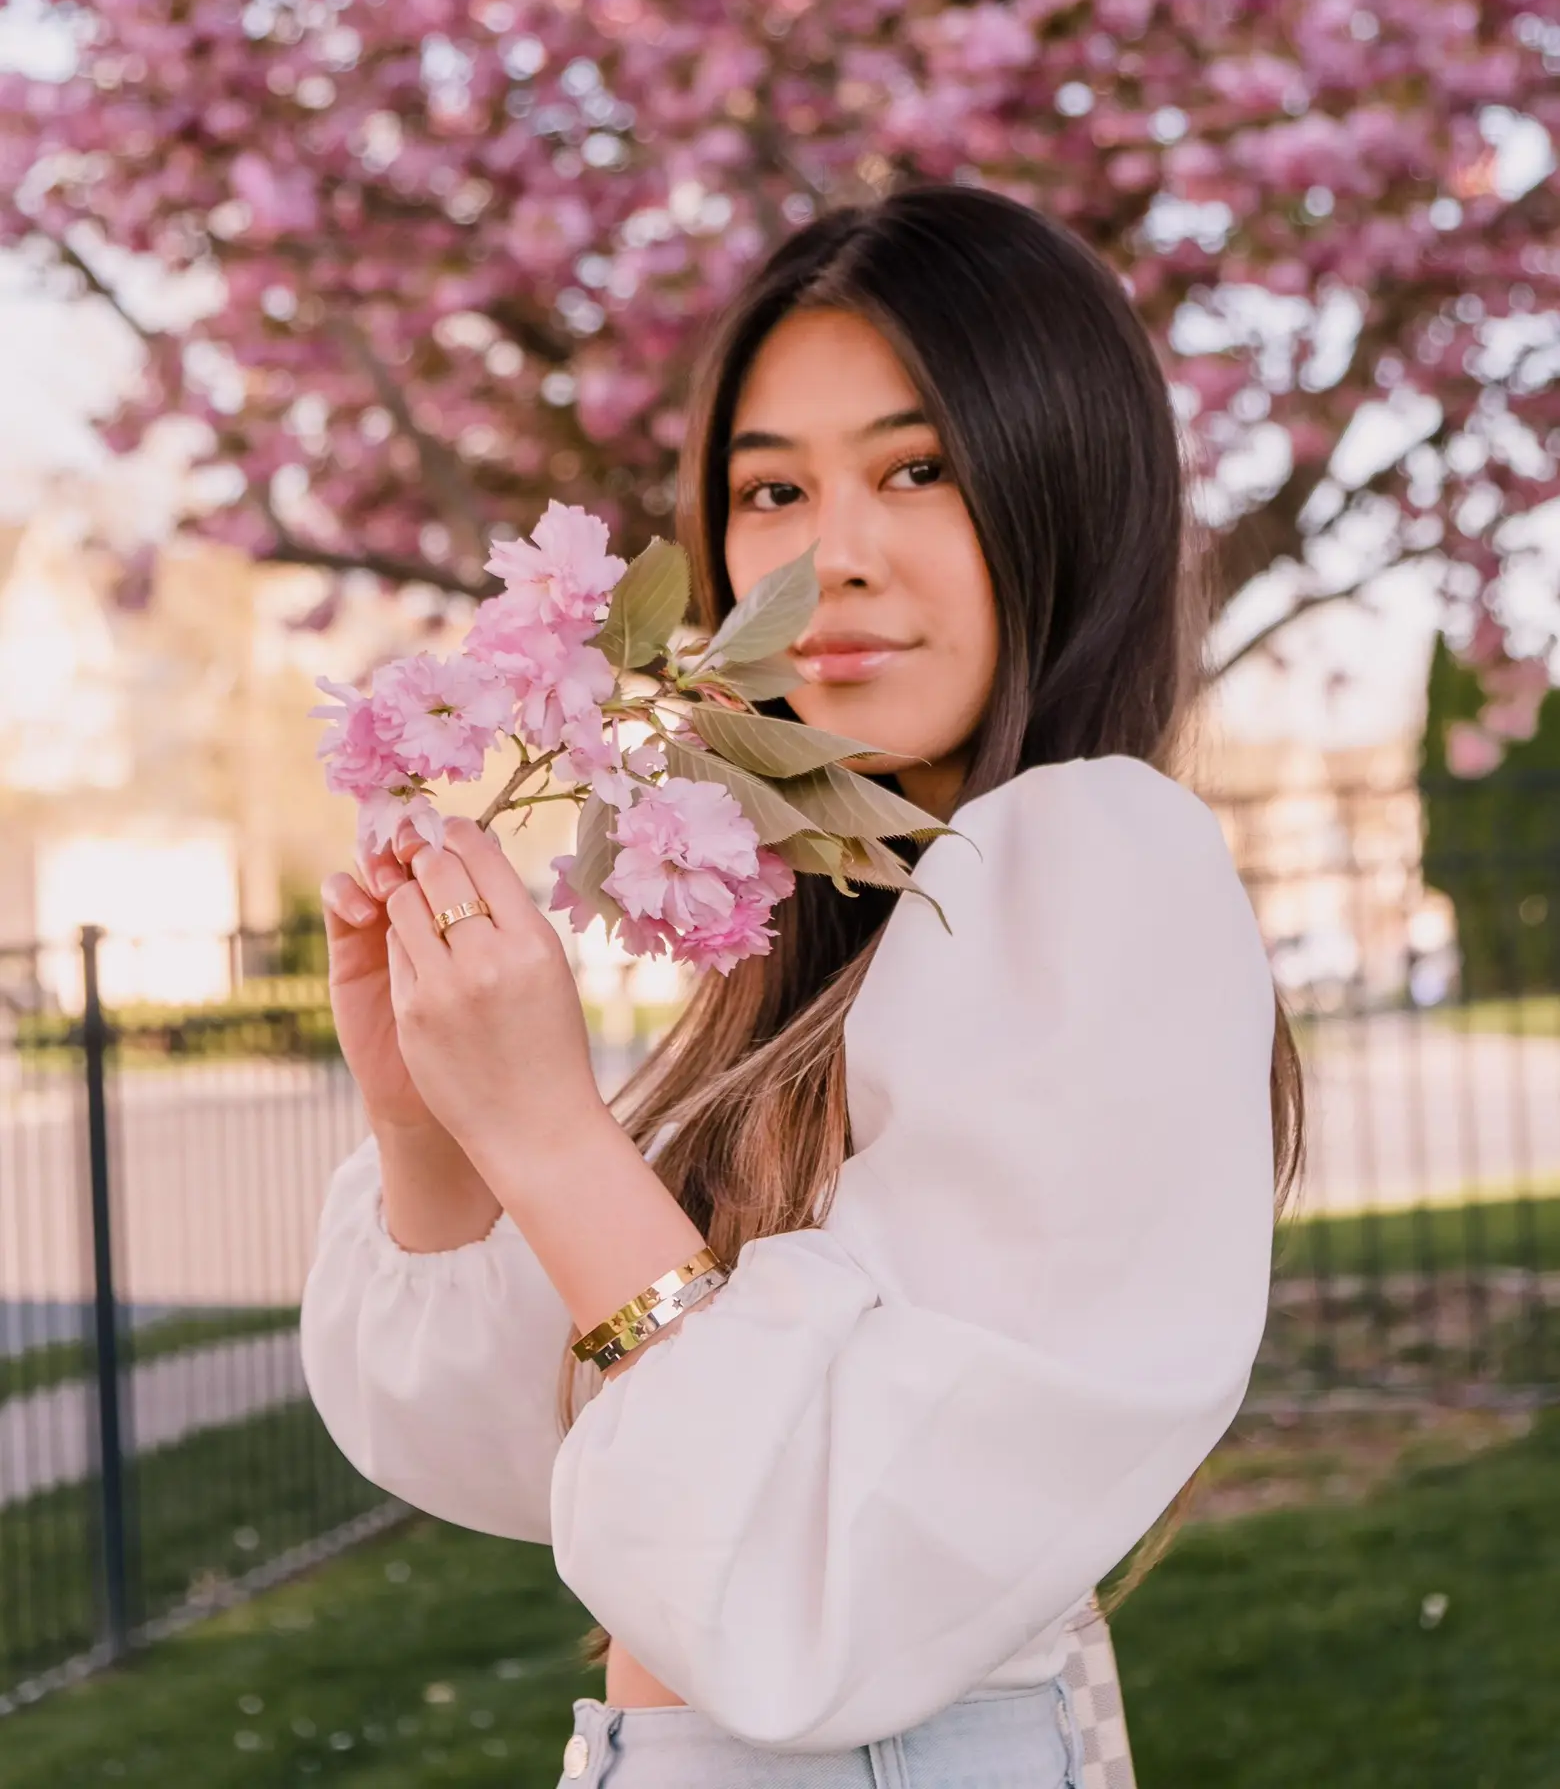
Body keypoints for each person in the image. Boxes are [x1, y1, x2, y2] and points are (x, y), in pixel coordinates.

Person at [300, 184, 1302, 1789]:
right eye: (770, 491)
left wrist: (557, 1140)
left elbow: (817, 1597)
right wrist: (438, 1132)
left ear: (1066, 485)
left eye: (921, 469)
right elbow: (527, 1455)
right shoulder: (845, 923)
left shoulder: (1091, 873)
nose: (830, 558)